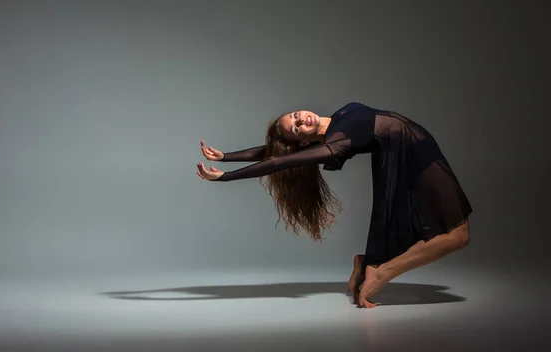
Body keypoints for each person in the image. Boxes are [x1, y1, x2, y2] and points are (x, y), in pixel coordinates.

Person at [196, 102, 472, 308]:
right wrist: (226, 176)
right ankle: (382, 272)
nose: (301, 119)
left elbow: (272, 151)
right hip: (414, 155)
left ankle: (367, 264)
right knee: (457, 235)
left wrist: (226, 156)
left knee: (450, 232)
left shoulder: (338, 118)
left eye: (294, 116)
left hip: (415, 149)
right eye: (296, 127)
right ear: (303, 140)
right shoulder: (335, 145)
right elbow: (277, 161)